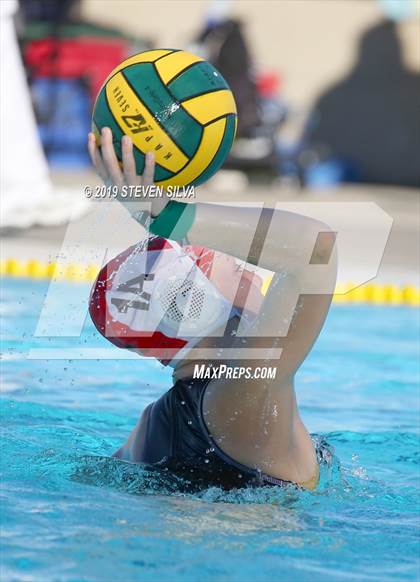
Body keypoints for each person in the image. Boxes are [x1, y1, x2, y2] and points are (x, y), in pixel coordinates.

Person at [88, 127, 336, 491]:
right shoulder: (240, 394)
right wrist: (171, 218)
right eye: (232, 266)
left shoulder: (149, 429)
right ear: (192, 305)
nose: (249, 267)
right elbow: (317, 249)